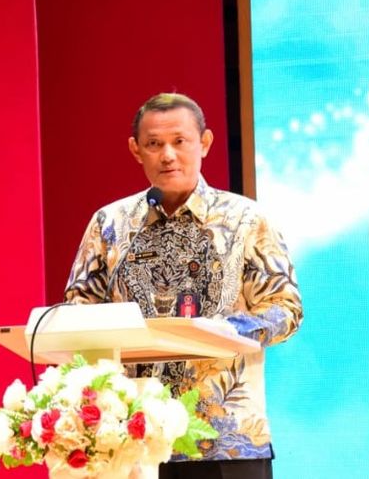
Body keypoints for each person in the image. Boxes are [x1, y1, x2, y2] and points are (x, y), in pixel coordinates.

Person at [64, 93, 303, 479]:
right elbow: (77, 311)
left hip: (226, 440)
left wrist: (223, 331)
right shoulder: (110, 223)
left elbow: (286, 310)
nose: (168, 155)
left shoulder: (247, 219)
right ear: (135, 150)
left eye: (180, 141)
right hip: (130, 440)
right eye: (154, 144)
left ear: (204, 143)